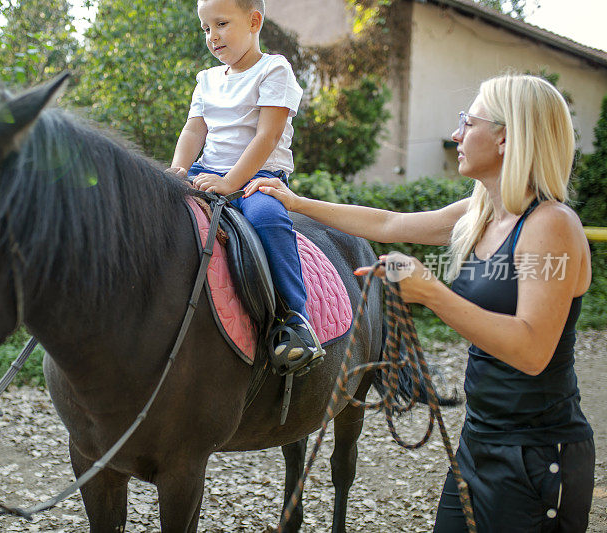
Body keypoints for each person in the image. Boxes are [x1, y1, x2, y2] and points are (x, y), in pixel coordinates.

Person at [244, 74, 594, 532]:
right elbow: (392, 223)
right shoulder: (481, 213)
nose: (456, 134)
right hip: (480, 439)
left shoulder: (552, 225)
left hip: (539, 453)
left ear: (507, 138)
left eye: (468, 121)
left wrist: (431, 293)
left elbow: (531, 352)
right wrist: (295, 202)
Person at [169, 0, 321, 366]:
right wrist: (177, 169)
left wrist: (231, 182)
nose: (212, 36)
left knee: (268, 219)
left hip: (258, 177)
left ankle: (294, 318)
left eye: (221, 24)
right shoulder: (206, 79)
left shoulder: (274, 69)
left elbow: (267, 136)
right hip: (207, 171)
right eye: (206, 28)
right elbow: (194, 129)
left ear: (254, 21)